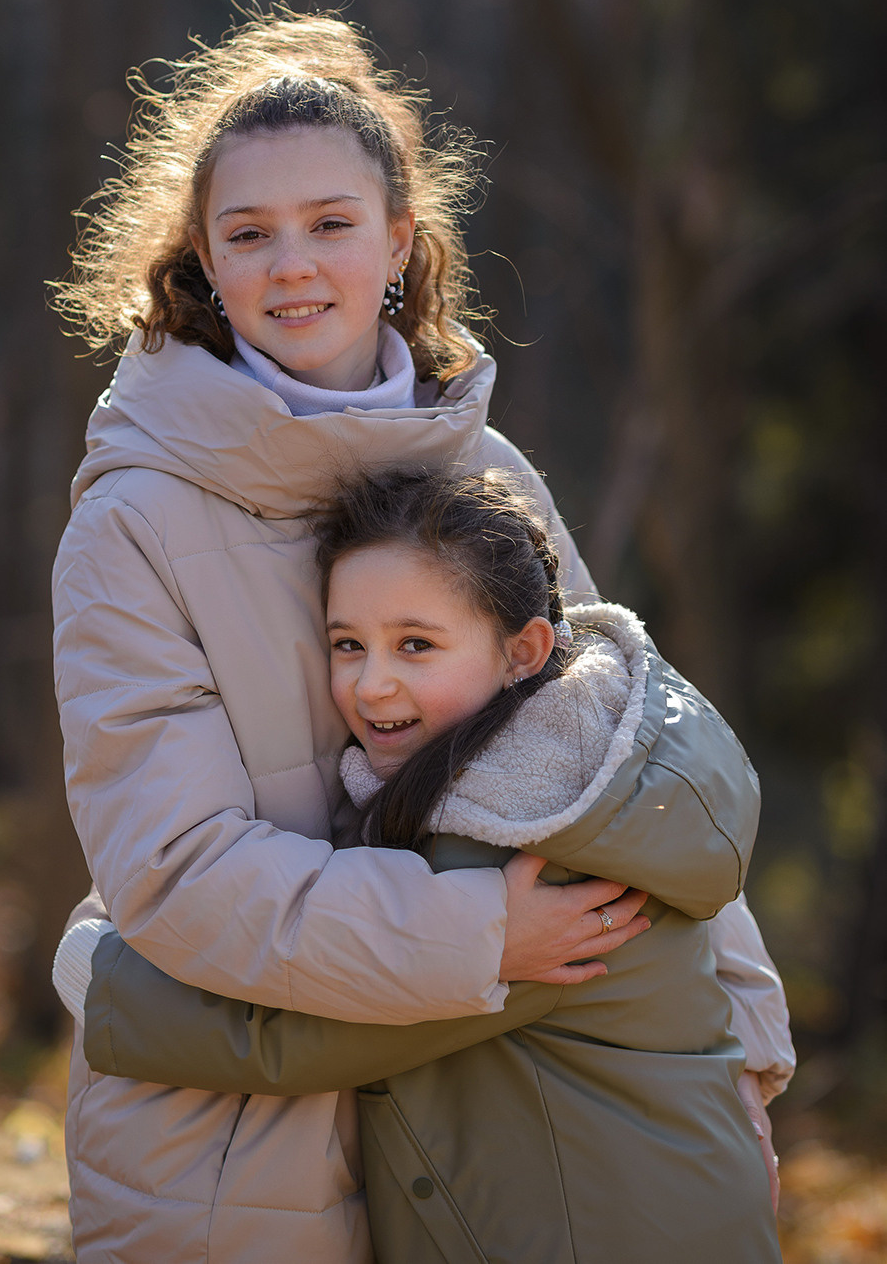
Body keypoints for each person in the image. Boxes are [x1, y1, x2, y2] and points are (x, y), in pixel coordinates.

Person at [50, 9, 793, 1264]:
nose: (294, 268)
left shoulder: (485, 474)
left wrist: (741, 1044)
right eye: (251, 235)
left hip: (499, 1113)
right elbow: (175, 875)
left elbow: (619, 763)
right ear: (204, 263)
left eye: (332, 225)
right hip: (236, 1146)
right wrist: (480, 937)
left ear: (397, 242)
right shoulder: (136, 520)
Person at [60, 466, 784, 1262]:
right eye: (347, 645)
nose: (373, 685)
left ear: (524, 652)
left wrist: (104, 982)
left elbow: (311, 1040)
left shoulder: (525, 841)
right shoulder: (589, 770)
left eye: (416, 644)